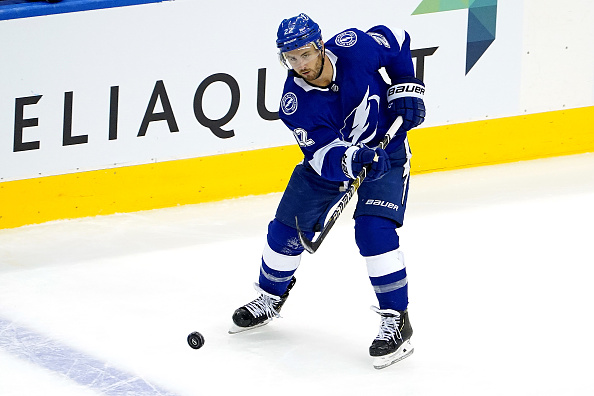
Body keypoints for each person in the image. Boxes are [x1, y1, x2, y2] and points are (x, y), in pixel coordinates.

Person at [230, 13, 425, 368]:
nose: (300, 64)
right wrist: (355, 157)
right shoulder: (294, 103)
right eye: (290, 58)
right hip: (334, 165)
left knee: (373, 231)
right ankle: (270, 297)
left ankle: (397, 321)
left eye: (305, 54)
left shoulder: (355, 47)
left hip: (389, 155)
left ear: (320, 45)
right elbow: (322, 155)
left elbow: (396, 38)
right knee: (285, 229)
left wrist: (406, 85)